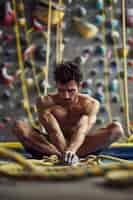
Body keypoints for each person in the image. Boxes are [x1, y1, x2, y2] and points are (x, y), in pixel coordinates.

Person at [13, 61, 124, 165]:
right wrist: (64, 153)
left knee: (116, 129)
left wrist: (71, 150)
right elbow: (53, 131)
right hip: (51, 146)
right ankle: (62, 156)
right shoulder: (45, 102)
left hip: (81, 146)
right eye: (61, 90)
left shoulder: (90, 103)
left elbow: (82, 130)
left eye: (71, 91)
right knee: (19, 126)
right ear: (56, 85)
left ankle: (68, 155)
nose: (66, 96)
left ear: (79, 86)